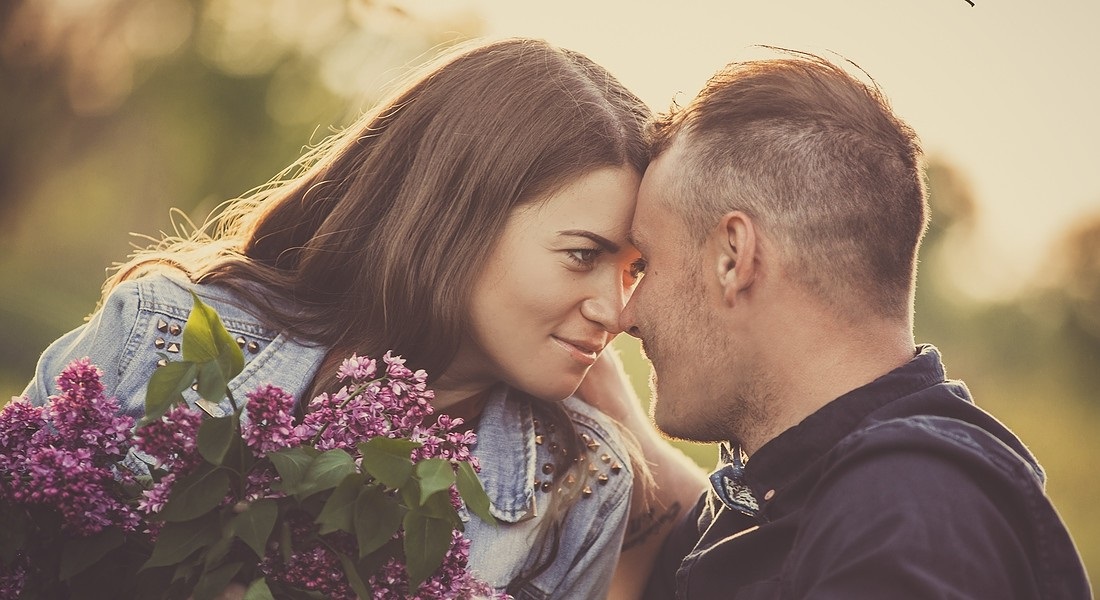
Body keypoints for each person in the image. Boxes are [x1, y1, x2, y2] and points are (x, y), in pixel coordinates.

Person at [21, 37, 666, 599]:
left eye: (636, 269)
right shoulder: (159, 334)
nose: (616, 310)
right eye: (583, 255)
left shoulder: (581, 485)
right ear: (457, 219)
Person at [614, 51, 1092, 598]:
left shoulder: (906, 514)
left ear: (733, 258)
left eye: (646, 265)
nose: (627, 313)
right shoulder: (785, 500)